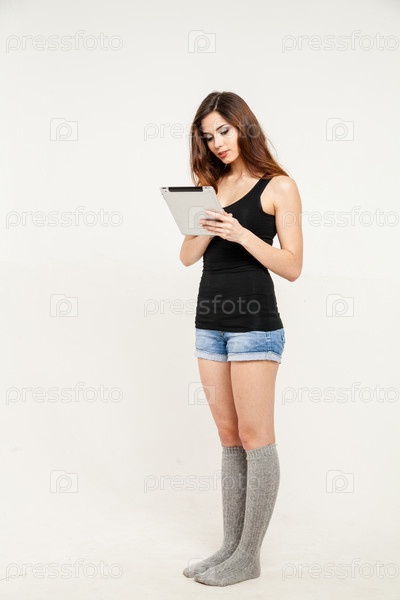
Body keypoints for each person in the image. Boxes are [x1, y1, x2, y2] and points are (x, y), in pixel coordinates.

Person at [179, 91, 303, 587]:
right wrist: (207, 225)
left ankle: (248, 556)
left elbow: (292, 265)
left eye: (223, 131)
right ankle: (231, 548)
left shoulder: (280, 187)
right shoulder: (208, 186)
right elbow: (187, 257)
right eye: (208, 136)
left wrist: (241, 233)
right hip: (209, 322)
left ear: (243, 126)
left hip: (255, 323)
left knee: (256, 437)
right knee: (229, 438)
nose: (217, 143)